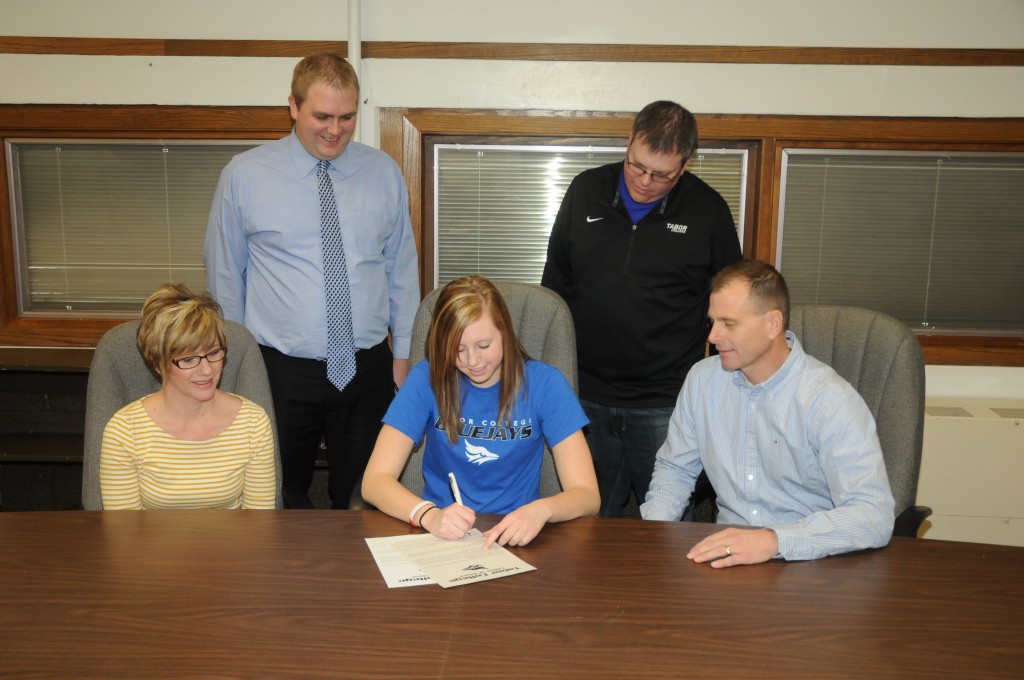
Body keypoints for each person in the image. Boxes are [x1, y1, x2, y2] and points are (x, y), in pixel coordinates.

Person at [204, 52, 419, 509]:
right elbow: (226, 278)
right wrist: (234, 365)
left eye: (346, 116)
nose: (335, 130)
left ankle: (358, 580)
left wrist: (403, 354)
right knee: (278, 494)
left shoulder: (382, 172)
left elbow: (401, 269)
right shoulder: (245, 176)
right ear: (293, 106)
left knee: (366, 498)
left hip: (366, 368)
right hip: (277, 368)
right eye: (322, 116)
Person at [542, 100, 743, 518]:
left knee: (667, 533)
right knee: (586, 527)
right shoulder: (585, 192)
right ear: (629, 141)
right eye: (637, 166)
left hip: (666, 403)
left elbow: (732, 306)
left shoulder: (708, 211)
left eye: (662, 174)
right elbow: (555, 290)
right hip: (586, 397)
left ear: (686, 164)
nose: (645, 182)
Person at [641, 260, 895, 566]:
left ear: (773, 324)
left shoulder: (830, 400)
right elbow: (676, 471)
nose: (712, 336)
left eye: (729, 323)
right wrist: (651, 538)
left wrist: (774, 540)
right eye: (712, 322)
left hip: (813, 562)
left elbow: (873, 515)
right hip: (727, 560)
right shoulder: (702, 380)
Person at [361, 275, 600, 548]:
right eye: (457, 349)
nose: (472, 361)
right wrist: (429, 515)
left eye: (483, 346)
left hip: (515, 534)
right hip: (441, 533)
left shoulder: (545, 384)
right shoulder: (427, 378)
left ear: (506, 334)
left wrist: (541, 510)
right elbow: (375, 481)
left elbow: (588, 495)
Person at [99, 284, 276, 510]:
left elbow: (259, 524)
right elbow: (124, 532)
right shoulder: (125, 431)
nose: (207, 370)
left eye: (213, 353)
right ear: (158, 364)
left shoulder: (253, 423)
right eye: (189, 359)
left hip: (233, 545)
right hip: (151, 546)